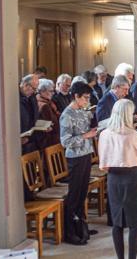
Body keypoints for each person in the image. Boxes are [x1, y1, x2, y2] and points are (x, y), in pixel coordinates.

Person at [98, 99, 137, 259]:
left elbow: (104, 161)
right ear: (128, 114)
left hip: (114, 179)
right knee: (134, 223)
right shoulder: (133, 135)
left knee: (117, 222)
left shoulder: (105, 134)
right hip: (133, 178)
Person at [60, 81, 98, 245]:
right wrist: (86, 136)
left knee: (83, 192)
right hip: (75, 157)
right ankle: (69, 232)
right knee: (74, 194)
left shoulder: (83, 110)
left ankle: (81, 226)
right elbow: (65, 141)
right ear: (76, 96)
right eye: (85, 98)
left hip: (86, 153)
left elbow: (88, 129)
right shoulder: (66, 115)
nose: (87, 101)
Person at [36, 79, 61, 149]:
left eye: (53, 91)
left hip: (53, 140)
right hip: (49, 143)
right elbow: (50, 125)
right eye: (51, 91)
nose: (53, 93)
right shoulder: (44, 105)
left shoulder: (49, 102)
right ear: (42, 91)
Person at [20, 74, 40, 154]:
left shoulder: (32, 96)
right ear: (25, 85)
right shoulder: (13, 97)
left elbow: (34, 114)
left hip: (31, 139)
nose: (34, 92)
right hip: (20, 141)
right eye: (34, 88)